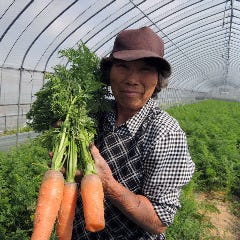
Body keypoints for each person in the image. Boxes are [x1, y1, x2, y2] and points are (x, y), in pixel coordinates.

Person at [72, 26, 195, 240]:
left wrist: (108, 184)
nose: (132, 78)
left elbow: (158, 221)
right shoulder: (93, 113)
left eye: (145, 69)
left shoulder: (165, 133)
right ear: (109, 72)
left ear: (158, 79)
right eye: (122, 66)